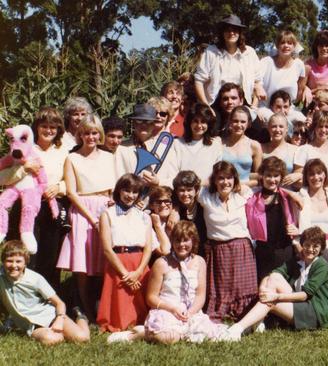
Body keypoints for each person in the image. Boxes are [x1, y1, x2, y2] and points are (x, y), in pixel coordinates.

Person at [222, 226, 328, 340]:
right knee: (274, 277)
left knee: (270, 302)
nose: (310, 249)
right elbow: (274, 273)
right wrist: (262, 289)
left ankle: (237, 329)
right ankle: (256, 323)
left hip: (315, 311)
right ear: (302, 244)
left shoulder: (322, 265)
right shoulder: (298, 259)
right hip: (301, 303)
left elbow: (306, 295)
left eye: (315, 246)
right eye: (307, 245)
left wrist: (276, 296)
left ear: (321, 248)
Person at [56, 115, 116, 320]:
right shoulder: (72, 158)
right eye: (86, 133)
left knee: (104, 259)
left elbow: (114, 187)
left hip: (105, 208)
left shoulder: (109, 157)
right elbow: (71, 192)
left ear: (99, 134)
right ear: (79, 134)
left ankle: (102, 307)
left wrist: (111, 205)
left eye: (94, 132)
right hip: (83, 211)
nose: (90, 136)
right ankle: (84, 308)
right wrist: (91, 218)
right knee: (82, 264)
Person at [143, 221, 222, 344]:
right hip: (167, 310)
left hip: (190, 311)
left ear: (193, 241)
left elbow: (200, 295)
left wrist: (190, 313)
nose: (181, 244)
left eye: (186, 240)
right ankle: (142, 334)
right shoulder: (161, 263)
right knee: (166, 338)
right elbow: (151, 297)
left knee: (208, 336)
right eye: (177, 240)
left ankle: (182, 332)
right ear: (172, 241)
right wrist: (173, 309)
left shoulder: (200, 262)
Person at [198, 161, 256, 323]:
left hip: (241, 247)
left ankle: (247, 313)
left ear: (235, 179)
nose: (225, 182)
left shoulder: (243, 193)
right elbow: (189, 183)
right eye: (220, 178)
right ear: (214, 181)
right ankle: (223, 311)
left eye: (229, 178)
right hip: (219, 248)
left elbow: (266, 184)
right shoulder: (205, 196)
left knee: (242, 287)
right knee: (221, 289)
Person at [0, 240, 90, 345]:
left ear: (25, 262)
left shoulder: (35, 279)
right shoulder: (1, 277)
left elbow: (59, 303)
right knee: (52, 339)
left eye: (18, 261)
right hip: (31, 325)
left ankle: (81, 316)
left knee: (82, 338)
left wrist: (59, 320)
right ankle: (55, 333)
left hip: (51, 316)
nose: (13, 265)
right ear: (3, 261)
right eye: (9, 261)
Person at [96, 174, 152, 332]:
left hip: (139, 263)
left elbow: (148, 247)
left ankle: (141, 322)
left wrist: (139, 271)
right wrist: (125, 274)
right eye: (127, 190)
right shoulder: (108, 214)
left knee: (141, 301)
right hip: (118, 264)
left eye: (135, 192)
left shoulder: (144, 216)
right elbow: (107, 248)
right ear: (119, 191)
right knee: (120, 307)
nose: (131, 196)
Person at [30, 107, 69, 286]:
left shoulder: (63, 151)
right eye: (44, 126)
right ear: (37, 127)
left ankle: (50, 300)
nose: (48, 130)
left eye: (53, 127)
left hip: (53, 207)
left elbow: (71, 180)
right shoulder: (27, 148)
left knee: (50, 255)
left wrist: (59, 187)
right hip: (28, 207)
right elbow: (7, 176)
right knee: (30, 254)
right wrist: (23, 168)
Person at [193, 14, 265, 109]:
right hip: (216, 104)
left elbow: (258, 82)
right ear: (222, 33)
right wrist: (207, 107)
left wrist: (254, 106)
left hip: (242, 103)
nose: (231, 33)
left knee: (256, 123)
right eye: (227, 30)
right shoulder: (211, 52)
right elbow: (198, 81)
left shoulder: (249, 53)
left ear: (240, 33)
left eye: (235, 30)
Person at [246, 156, 300, 280]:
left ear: (281, 177)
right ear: (262, 176)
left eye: (276, 175)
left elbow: (303, 220)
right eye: (268, 175)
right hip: (262, 252)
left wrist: (298, 230)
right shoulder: (252, 198)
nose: (272, 179)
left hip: (284, 250)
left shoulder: (288, 198)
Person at [296, 159, 328, 262]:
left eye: (319, 173)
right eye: (311, 174)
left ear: (325, 175)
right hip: (308, 251)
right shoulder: (299, 198)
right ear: (306, 178)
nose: (316, 177)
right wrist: (300, 249)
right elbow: (294, 227)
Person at [174, 103, 222, 184]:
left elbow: (217, 174)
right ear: (189, 123)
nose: (199, 125)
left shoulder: (215, 145)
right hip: (184, 191)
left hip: (207, 192)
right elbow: (174, 172)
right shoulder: (177, 144)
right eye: (195, 121)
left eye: (203, 122)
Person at [293, 111, 328, 184]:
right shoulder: (304, 150)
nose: (323, 130)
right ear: (314, 127)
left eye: (327, 127)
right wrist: (324, 184)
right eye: (320, 126)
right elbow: (296, 181)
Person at [221, 106, 262, 187]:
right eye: (235, 121)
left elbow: (259, 177)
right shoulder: (220, 143)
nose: (239, 125)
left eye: (243, 122)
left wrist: (240, 185)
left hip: (246, 189)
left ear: (249, 124)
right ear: (230, 122)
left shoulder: (254, 145)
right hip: (223, 188)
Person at [172, 171, 207, 247]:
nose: (185, 194)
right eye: (182, 190)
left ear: (196, 191)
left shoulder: (203, 206)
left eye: (189, 190)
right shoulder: (175, 210)